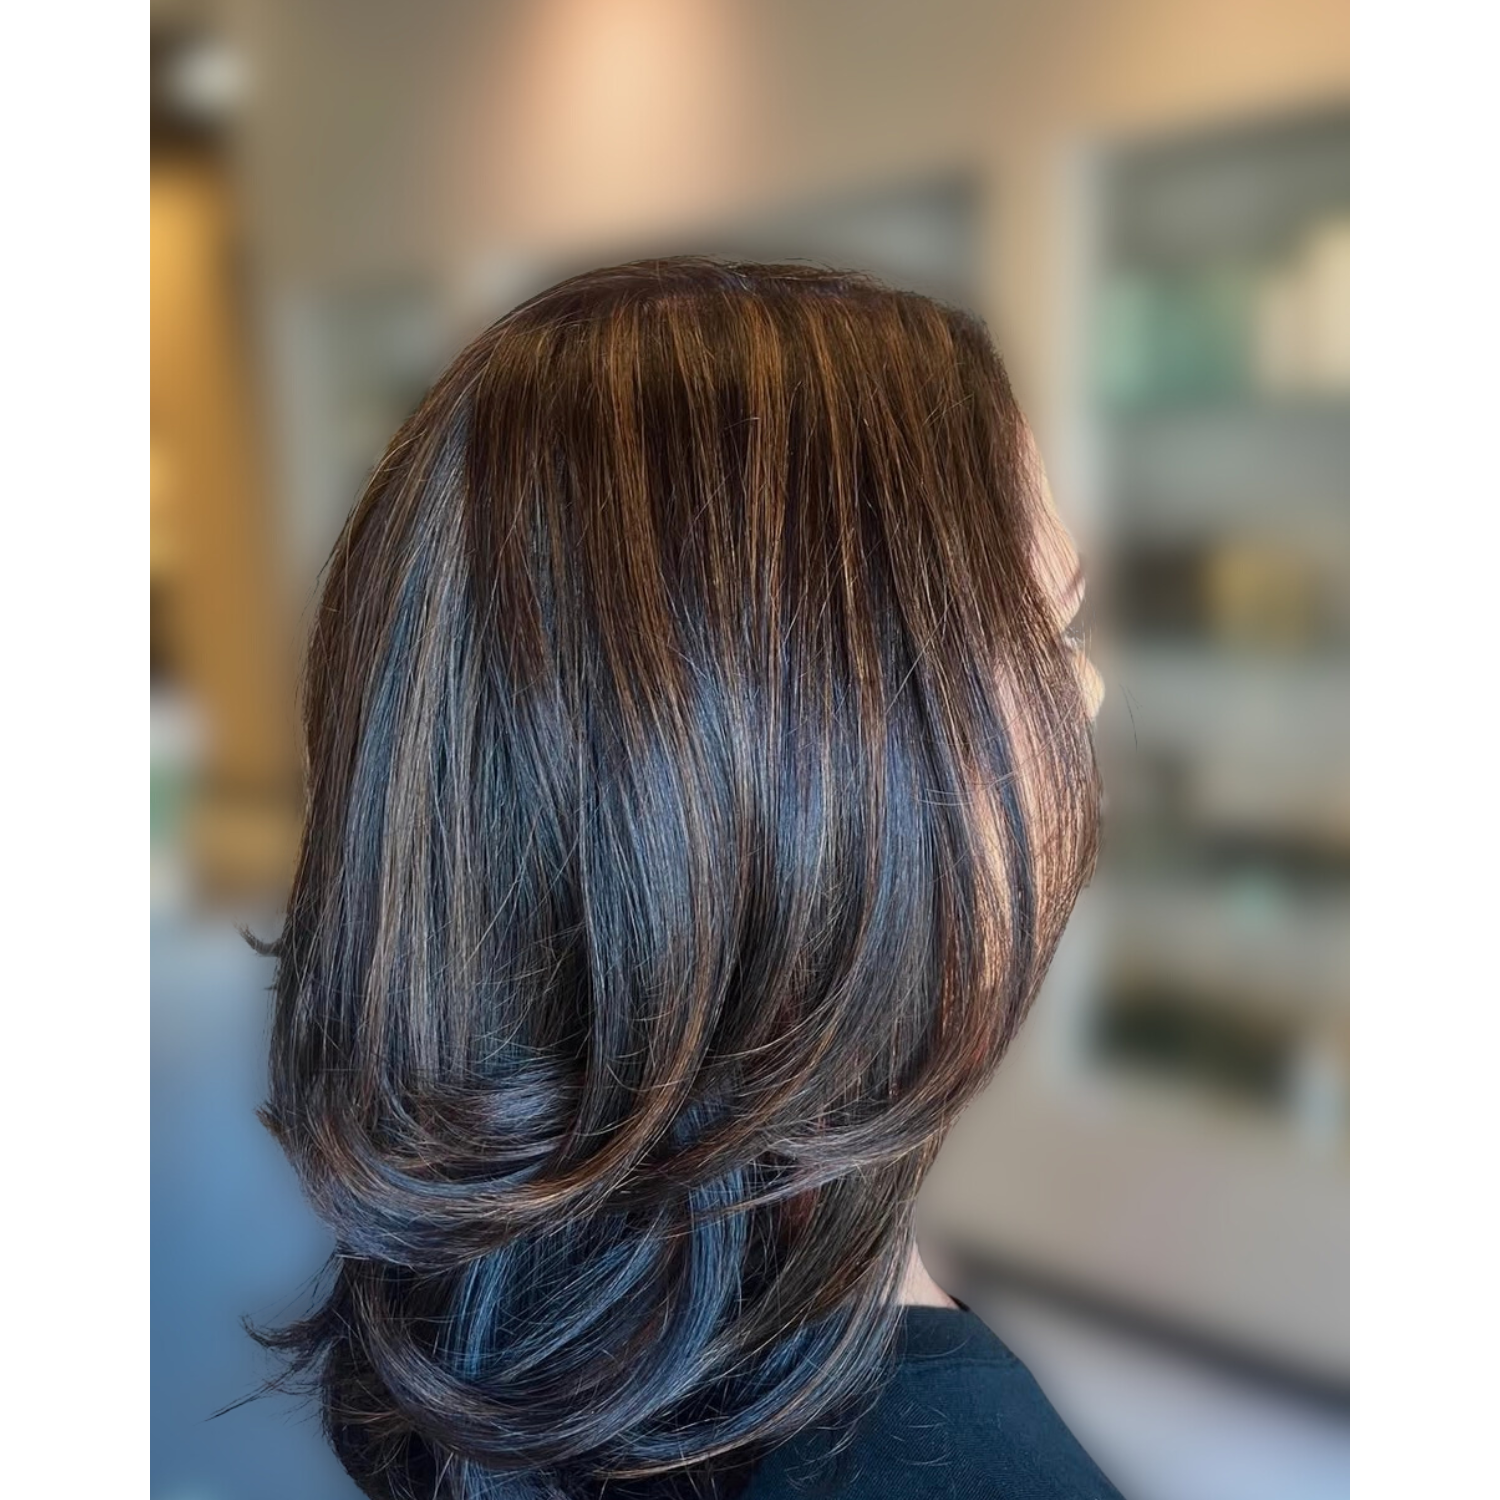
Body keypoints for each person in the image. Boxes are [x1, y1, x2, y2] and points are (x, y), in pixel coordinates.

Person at [253, 257, 1119, 1499]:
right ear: (832, 758)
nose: (1090, 696)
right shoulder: (963, 1470)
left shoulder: (481, 1337)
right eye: (1051, 634)